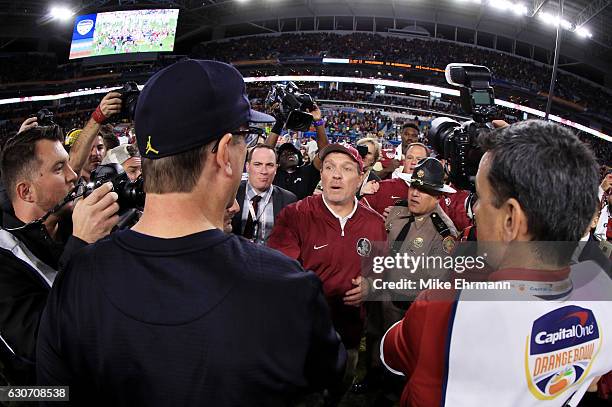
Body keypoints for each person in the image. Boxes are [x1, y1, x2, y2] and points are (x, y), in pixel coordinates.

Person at [37, 59, 346, 406]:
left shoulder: (76, 276)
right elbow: (329, 383)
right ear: (224, 154)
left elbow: (50, 394)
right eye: (245, 138)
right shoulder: (287, 288)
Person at [381, 120, 612, 407]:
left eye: (481, 197)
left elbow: (390, 353)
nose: (475, 209)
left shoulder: (447, 308)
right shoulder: (603, 291)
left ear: (511, 219)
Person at [0, 126, 120, 385]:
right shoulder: (3, 257)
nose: (73, 175)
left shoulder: (67, 220)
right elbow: (38, 345)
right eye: (59, 169)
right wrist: (81, 246)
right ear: (26, 192)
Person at [268, 144, 387, 387]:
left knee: (338, 389)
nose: (336, 175)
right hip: (301, 334)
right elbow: (279, 274)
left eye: (346, 169)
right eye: (329, 167)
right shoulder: (295, 215)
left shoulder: (375, 224)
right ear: (321, 175)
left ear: (361, 177)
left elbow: (382, 272)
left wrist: (370, 286)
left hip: (349, 334)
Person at [231, 144, 296, 243]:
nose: (263, 171)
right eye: (257, 164)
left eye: (269, 165)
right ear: (247, 167)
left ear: (276, 169)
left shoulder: (288, 200)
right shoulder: (232, 194)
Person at [267, 107, 329, 200]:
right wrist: (279, 123)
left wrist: (318, 121)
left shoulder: (308, 173)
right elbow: (265, 151)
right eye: (285, 153)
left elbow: (324, 152)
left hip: (301, 214)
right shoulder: (274, 173)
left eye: (293, 152)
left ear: (299, 157)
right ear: (278, 160)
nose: (290, 154)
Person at [361, 143, 429, 216]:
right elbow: (358, 216)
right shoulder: (381, 187)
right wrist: (382, 220)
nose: (413, 162)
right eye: (409, 158)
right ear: (404, 162)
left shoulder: (435, 195)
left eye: (419, 159)